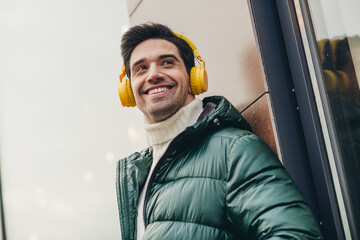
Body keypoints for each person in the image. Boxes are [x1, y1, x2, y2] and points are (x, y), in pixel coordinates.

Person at [116, 22, 323, 240]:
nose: (153, 74)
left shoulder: (234, 150)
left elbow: (297, 235)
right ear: (129, 90)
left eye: (167, 62)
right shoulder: (143, 174)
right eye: (141, 68)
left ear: (194, 79)